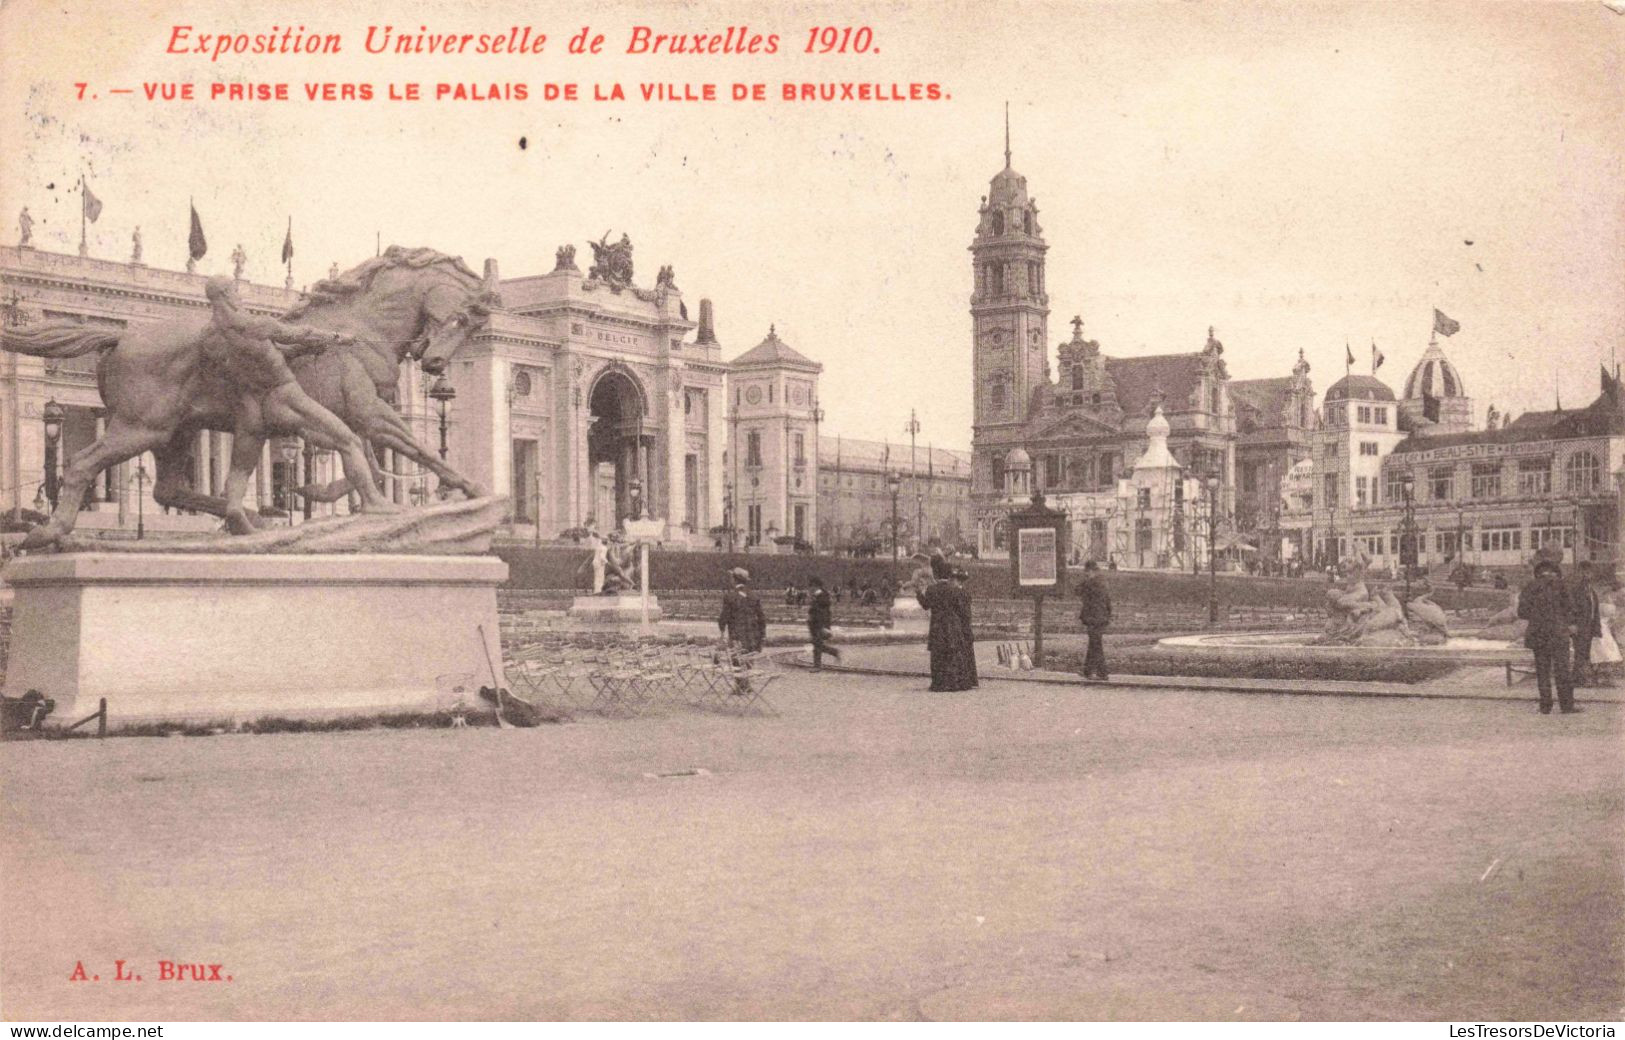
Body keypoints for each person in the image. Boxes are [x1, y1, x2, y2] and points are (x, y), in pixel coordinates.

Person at [200, 276, 391, 518]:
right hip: (282, 395)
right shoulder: (256, 324)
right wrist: (338, 338)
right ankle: (373, 501)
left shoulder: (209, 338)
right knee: (348, 440)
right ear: (228, 295)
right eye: (236, 292)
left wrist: (301, 350)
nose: (239, 296)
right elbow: (300, 333)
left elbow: (270, 353)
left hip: (248, 405)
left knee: (240, 467)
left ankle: (235, 507)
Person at [1518, 558, 1581, 715]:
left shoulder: (1530, 587)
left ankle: (1545, 706)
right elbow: (1571, 610)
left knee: (1542, 671)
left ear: (1538, 573)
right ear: (1555, 572)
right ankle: (1567, 706)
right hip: (1559, 634)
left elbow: (1522, 613)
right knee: (1562, 670)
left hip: (1538, 634)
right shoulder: (1561, 585)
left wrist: (1537, 616)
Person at [916, 552, 978, 691]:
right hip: (952, 626)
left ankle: (939, 683)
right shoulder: (954, 590)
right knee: (952, 654)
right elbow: (961, 610)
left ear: (936, 574)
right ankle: (955, 682)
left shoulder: (932, 589)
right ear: (949, 575)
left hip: (937, 625)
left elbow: (926, 605)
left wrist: (919, 593)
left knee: (938, 655)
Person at [1566, 561, 1601, 687]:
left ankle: (1577, 678)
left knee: (1584, 653)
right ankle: (1578, 679)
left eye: (1589, 572)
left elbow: (1595, 610)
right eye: (1585, 572)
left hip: (1589, 627)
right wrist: (1572, 624)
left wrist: (1597, 629)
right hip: (1579, 627)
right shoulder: (1575, 590)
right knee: (1580, 652)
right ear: (1580, 572)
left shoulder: (1592, 591)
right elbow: (1570, 608)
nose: (1587, 575)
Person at [1077, 560, 1112, 681]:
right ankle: (1087, 671)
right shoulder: (1104, 583)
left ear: (1090, 571)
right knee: (1094, 643)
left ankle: (1103, 673)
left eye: (1086, 572)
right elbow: (1108, 602)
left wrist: (1085, 579)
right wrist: (1108, 616)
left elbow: (1077, 590)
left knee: (1096, 645)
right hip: (1102, 617)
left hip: (1093, 618)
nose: (1085, 574)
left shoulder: (1090, 583)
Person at [718, 567, 766, 654]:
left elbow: (724, 617)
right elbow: (761, 618)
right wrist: (762, 635)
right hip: (753, 638)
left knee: (737, 663)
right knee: (749, 662)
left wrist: (722, 630)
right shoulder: (754, 596)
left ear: (734, 580)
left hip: (736, 637)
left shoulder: (730, 597)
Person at [807, 575, 841, 669]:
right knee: (816, 643)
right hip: (815, 623)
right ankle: (834, 652)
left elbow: (822, 612)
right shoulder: (819, 596)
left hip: (819, 624)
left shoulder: (821, 596)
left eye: (812, 586)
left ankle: (817, 666)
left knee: (817, 644)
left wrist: (823, 626)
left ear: (816, 586)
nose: (810, 589)